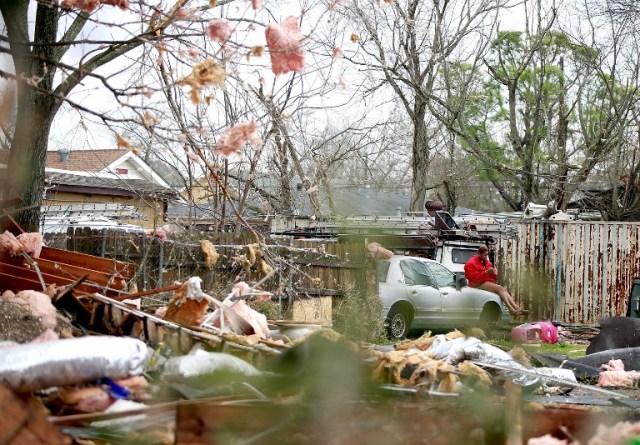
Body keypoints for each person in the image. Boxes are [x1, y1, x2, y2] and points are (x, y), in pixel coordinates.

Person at [464, 245, 529, 316]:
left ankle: (517, 308)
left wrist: (493, 272)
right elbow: (472, 277)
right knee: (499, 288)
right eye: (484, 255)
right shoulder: (470, 263)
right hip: (477, 284)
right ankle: (511, 309)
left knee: (502, 289)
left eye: (486, 255)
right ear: (479, 253)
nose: (485, 257)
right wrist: (485, 272)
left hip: (485, 281)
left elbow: (493, 275)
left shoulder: (485, 262)